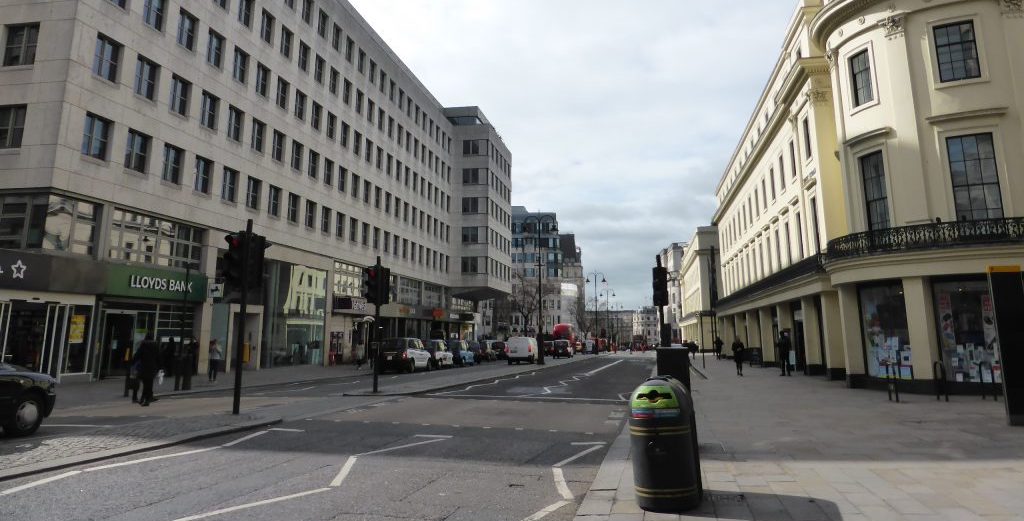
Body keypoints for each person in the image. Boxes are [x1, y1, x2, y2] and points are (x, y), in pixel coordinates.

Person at [134, 333, 161, 406]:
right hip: (153, 367)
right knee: (149, 383)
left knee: (146, 384)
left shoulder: (143, 346)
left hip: (144, 367)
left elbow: (137, 356)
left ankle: (146, 400)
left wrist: (133, 362)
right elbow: (159, 357)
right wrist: (159, 367)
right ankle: (146, 399)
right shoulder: (156, 346)